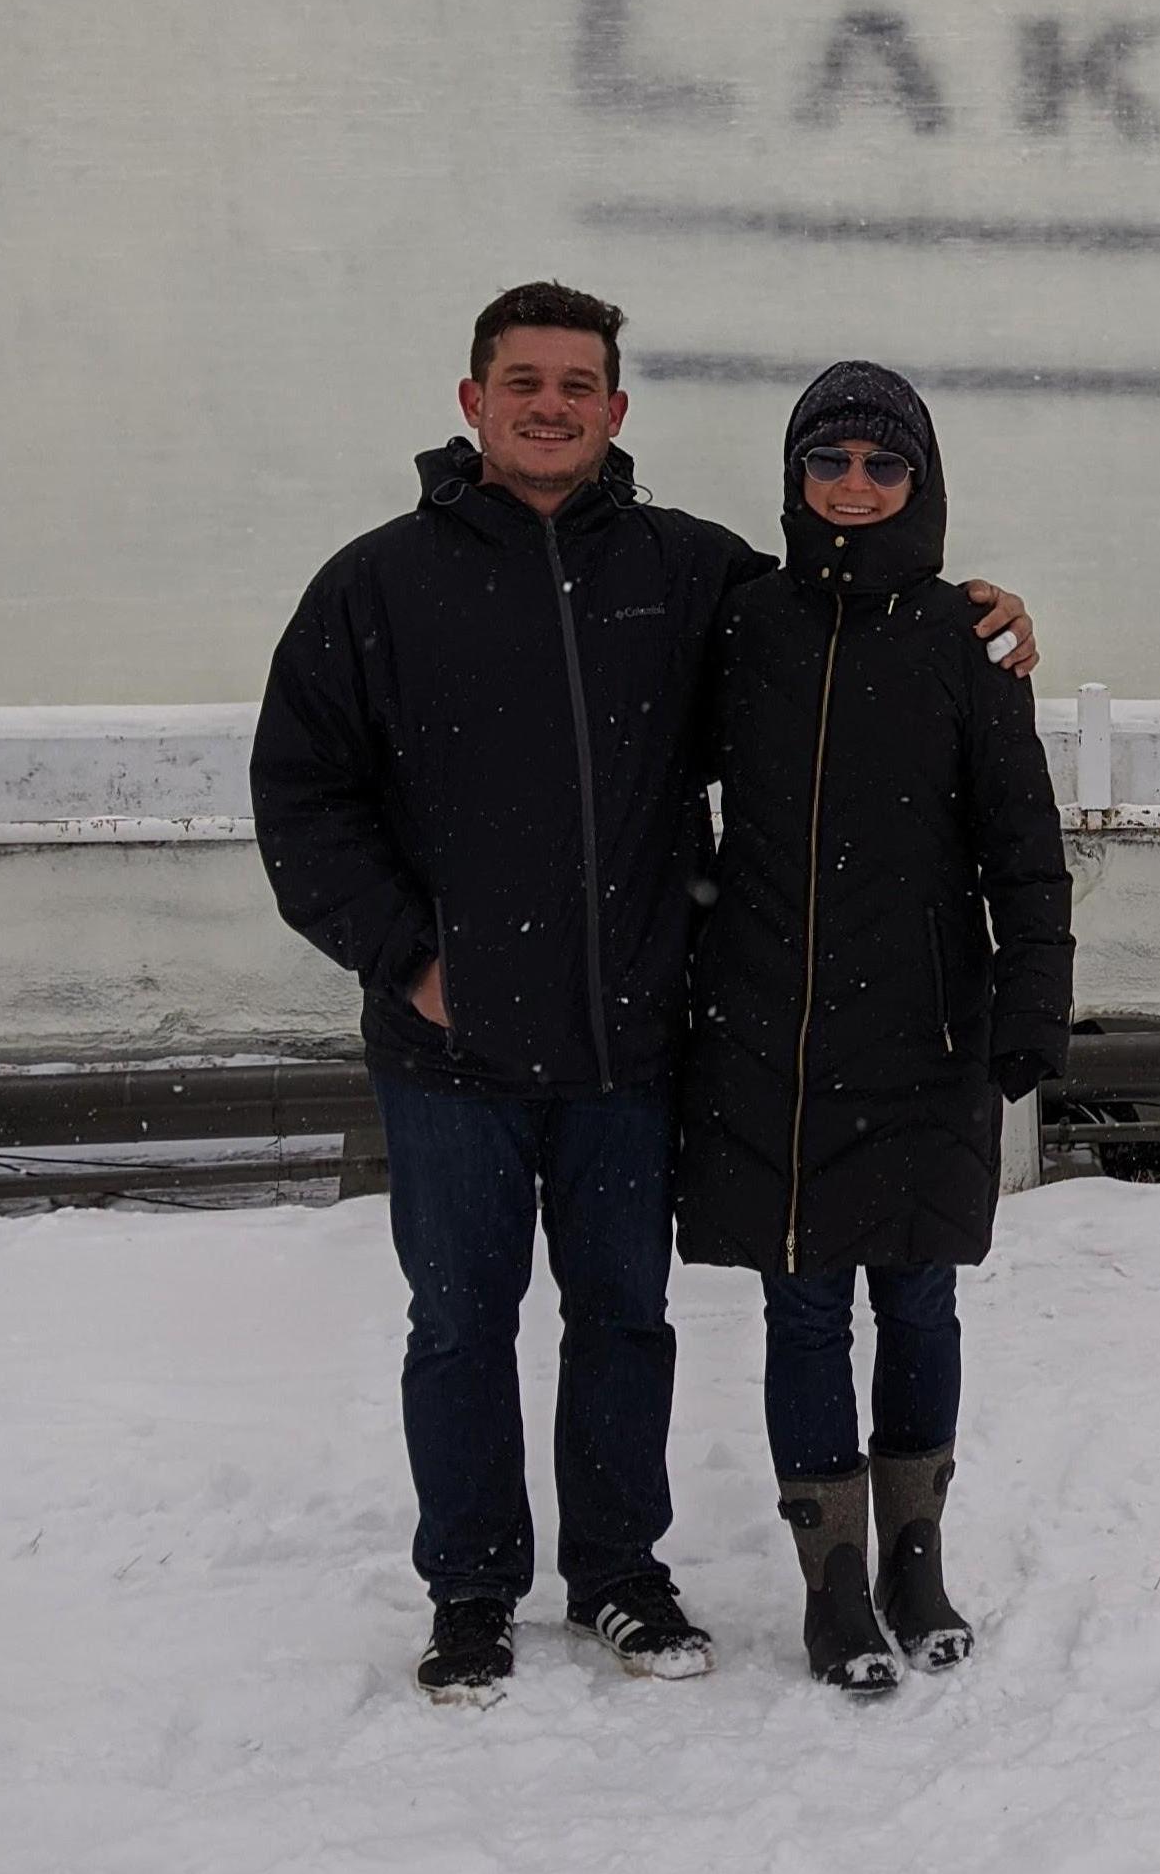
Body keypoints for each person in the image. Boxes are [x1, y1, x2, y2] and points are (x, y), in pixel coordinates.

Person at [250, 284, 1038, 1707]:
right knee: (458, 1319)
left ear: (615, 412)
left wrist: (980, 607)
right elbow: (303, 799)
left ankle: (618, 1571)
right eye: (521, 380)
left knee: (622, 1315)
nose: (549, 404)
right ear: (472, 399)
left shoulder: (690, 575)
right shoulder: (376, 584)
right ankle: (474, 1587)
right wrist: (409, 960)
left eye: (577, 384)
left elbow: (845, 605)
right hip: (449, 1053)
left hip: (627, 1041)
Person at [677, 362, 1074, 1695]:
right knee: (801, 1310)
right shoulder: (744, 625)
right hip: (772, 1031)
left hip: (922, 1029)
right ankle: (831, 1580)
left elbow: (1022, 847)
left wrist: (1031, 996)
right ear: (794, 476)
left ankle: (915, 1553)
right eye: (827, 460)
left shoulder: (965, 641)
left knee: (916, 1301)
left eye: (880, 464)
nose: (853, 485)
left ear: (921, 480)